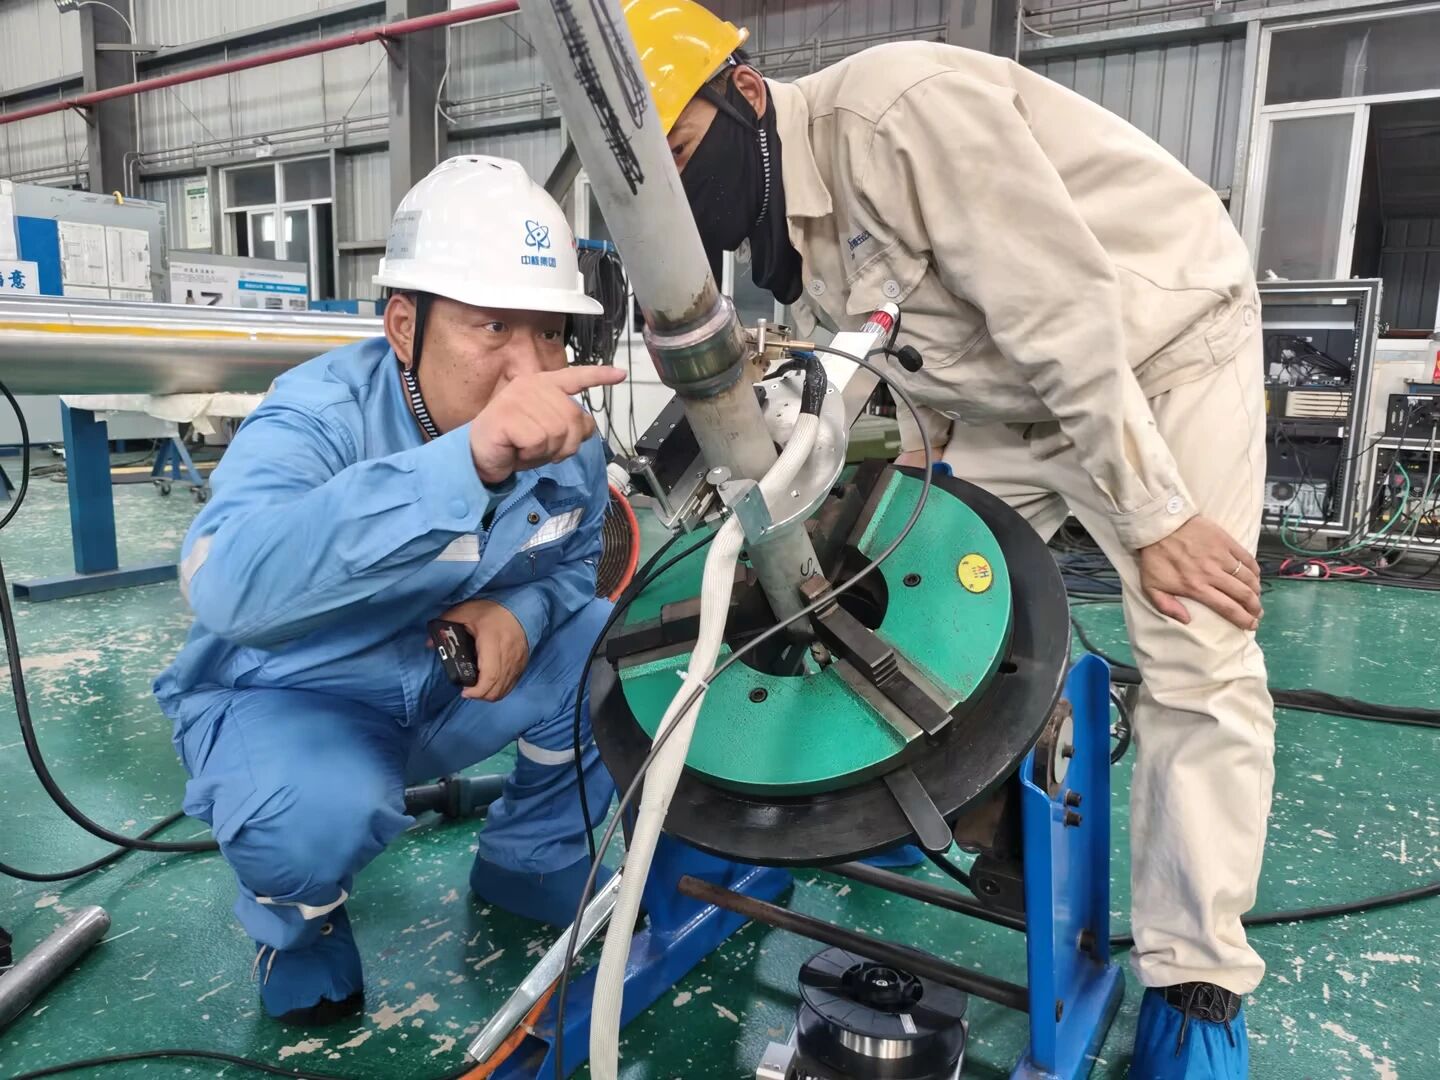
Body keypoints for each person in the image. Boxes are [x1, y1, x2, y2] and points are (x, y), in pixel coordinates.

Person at [624, 3, 1271, 1076]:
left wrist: (1156, 516)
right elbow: (905, 351)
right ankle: (958, 804)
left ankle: (1197, 981)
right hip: (1010, 402)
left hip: (1158, 360)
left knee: (1197, 645)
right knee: (917, 581)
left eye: (685, 151)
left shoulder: (899, 114)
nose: (685, 198)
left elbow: (1062, 313)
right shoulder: (791, 231)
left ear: (743, 94)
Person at [154, 155, 626, 1026]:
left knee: (616, 648)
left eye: (550, 332)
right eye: (493, 326)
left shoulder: (569, 442)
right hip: (301, 698)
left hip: (451, 690)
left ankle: (533, 857)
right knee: (306, 824)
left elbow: (576, 566)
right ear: (404, 326)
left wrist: (521, 613)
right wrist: (465, 464)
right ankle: (301, 925)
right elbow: (226, 584)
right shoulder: (318, 416)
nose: (529, 370)